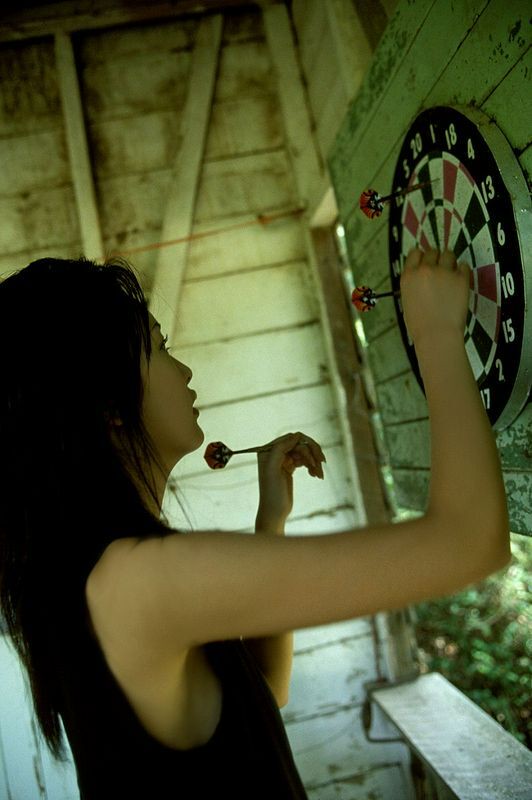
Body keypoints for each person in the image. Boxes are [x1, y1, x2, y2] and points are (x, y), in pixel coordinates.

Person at [0, 249, 510, 799]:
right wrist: (436, 331)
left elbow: (266, 690)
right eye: (161, 348)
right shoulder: (134, 578)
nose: (184, 370)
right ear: (109, 403)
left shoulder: (90, 572)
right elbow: (469, 542)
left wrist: (272, 519)